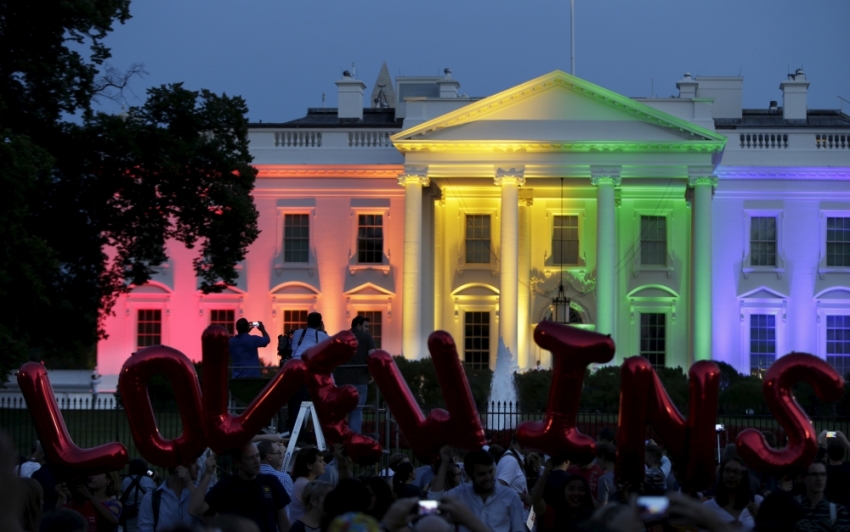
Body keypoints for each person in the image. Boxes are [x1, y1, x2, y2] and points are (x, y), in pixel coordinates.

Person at [190, 444, 291, 532]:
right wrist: (208, 474)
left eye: (257, 455)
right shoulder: (226, 487)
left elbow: (284, 523)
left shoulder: (270, 482)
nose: (257, 461)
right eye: (250, 458)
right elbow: (195, 510)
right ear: (238, 462)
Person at [427, 446, 524, 532]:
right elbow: (432, 503)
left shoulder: (510, 496)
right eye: (482, 474)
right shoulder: (461, 493)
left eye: (491, 471)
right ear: (469, 475)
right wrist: (444, 463)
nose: (488, 477)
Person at [287, 312, 330, 434]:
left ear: (307, 322)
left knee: (293, 402)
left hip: (292, 368)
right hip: (306, 370)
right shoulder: (322, 335)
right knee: (303, 402)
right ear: (320, 323)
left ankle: (293, 431)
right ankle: (299, 434)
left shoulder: (297, 333)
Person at [334, 316, 376, 435]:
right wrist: (371, 374)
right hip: (359, 380)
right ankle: (352, 441)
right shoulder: (367, 338)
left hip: (341, 380)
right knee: (356, 412)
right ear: (358, 324)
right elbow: (373, 357)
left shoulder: (342, 336)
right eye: (366, 326)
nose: (367, 329)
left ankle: (337, 439)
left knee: (340, 412)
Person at [137, 462, 201, 532]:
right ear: (179, 468)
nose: (198, 467)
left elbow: (209, 523)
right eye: (193, 463)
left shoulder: (198, 494)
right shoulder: (151, 498)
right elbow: (145, 528)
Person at [702, 456, 762, 531]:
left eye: (736, 472)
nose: (731, 475)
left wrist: (760, 519)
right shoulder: (708, 507)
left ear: (743, 476)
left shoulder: (756, 503)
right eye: (727, 470)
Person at [530, 466, 595, 532]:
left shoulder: (593, 517)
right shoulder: (553, 513)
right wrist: (545, 475)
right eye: (571, 489)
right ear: (563, 491)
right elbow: (536, 500)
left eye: (581, 489)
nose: (576, 493)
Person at [796, 460, 850, 531]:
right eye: (814, 474)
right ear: (803, 479)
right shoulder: (793, 507)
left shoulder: (838, 511)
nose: (819, 479)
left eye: (823, 474)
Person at [288, 448, 326, 523]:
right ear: (309, 465)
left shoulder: (303, 482)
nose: (324, 464)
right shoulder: (305, 485)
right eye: (320, 461)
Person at [119, 458, 157, 532]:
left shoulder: (126, 480)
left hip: (129, 512)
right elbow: (154, 494)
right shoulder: (148, 480)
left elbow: (123, 493)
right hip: (144, 512)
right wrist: (153, 480)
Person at [258, 441, 295, 514]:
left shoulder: (251, 476)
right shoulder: (283, 478)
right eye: (278, 453)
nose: (281, 456)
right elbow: (293, 503)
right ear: (269, 457)